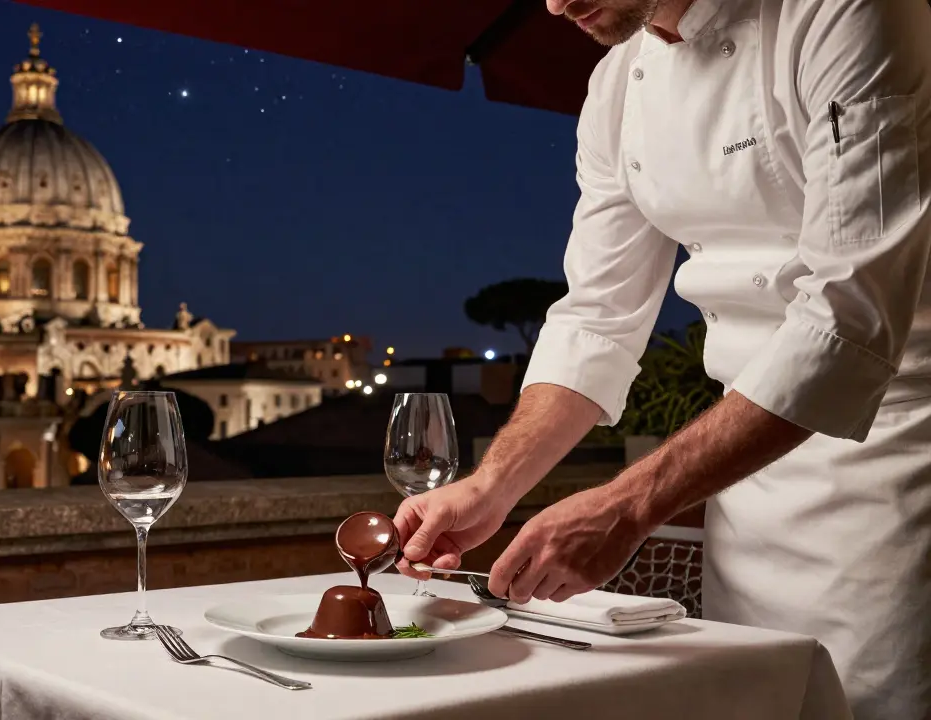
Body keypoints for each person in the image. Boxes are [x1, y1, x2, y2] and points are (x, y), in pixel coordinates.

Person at [394, 0, 931, 717]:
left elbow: (849, 317)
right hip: (743, 473)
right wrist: (491, 486)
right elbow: (598, 316)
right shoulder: (617, 86)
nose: (556, 4)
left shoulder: (848, 13)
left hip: (895, 461)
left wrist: (629, 506)